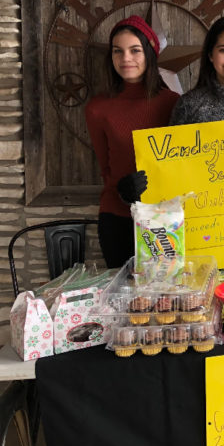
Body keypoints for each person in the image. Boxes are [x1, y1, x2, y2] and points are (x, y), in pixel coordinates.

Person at [85, 16, 178, 268]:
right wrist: (121, 190)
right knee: (124, 298)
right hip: (117, 218)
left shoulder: (173, 103)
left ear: (149, 53)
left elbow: (181, 164)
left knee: (167, 296)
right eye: (118, 51)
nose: (126, 59)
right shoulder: (97, 109)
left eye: (135, 50)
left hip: (165, 219)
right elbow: (106, 168)